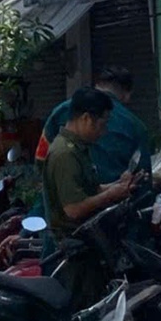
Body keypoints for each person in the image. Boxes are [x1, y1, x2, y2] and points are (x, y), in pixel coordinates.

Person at [42, 87, 139, 242]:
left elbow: (91, 190)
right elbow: (73, 209)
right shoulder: (65, 154)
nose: (104, 131)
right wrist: (109, 195)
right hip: (75, 246)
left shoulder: (78, 148)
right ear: (86, 118)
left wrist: (119, 185)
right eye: (102, 124)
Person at [36, 67, 151, 183]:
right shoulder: (135, 125)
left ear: (96, 86)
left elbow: (41, 159)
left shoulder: (61, 111)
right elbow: (143, 181)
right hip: (115, 198)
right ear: (127, 95)